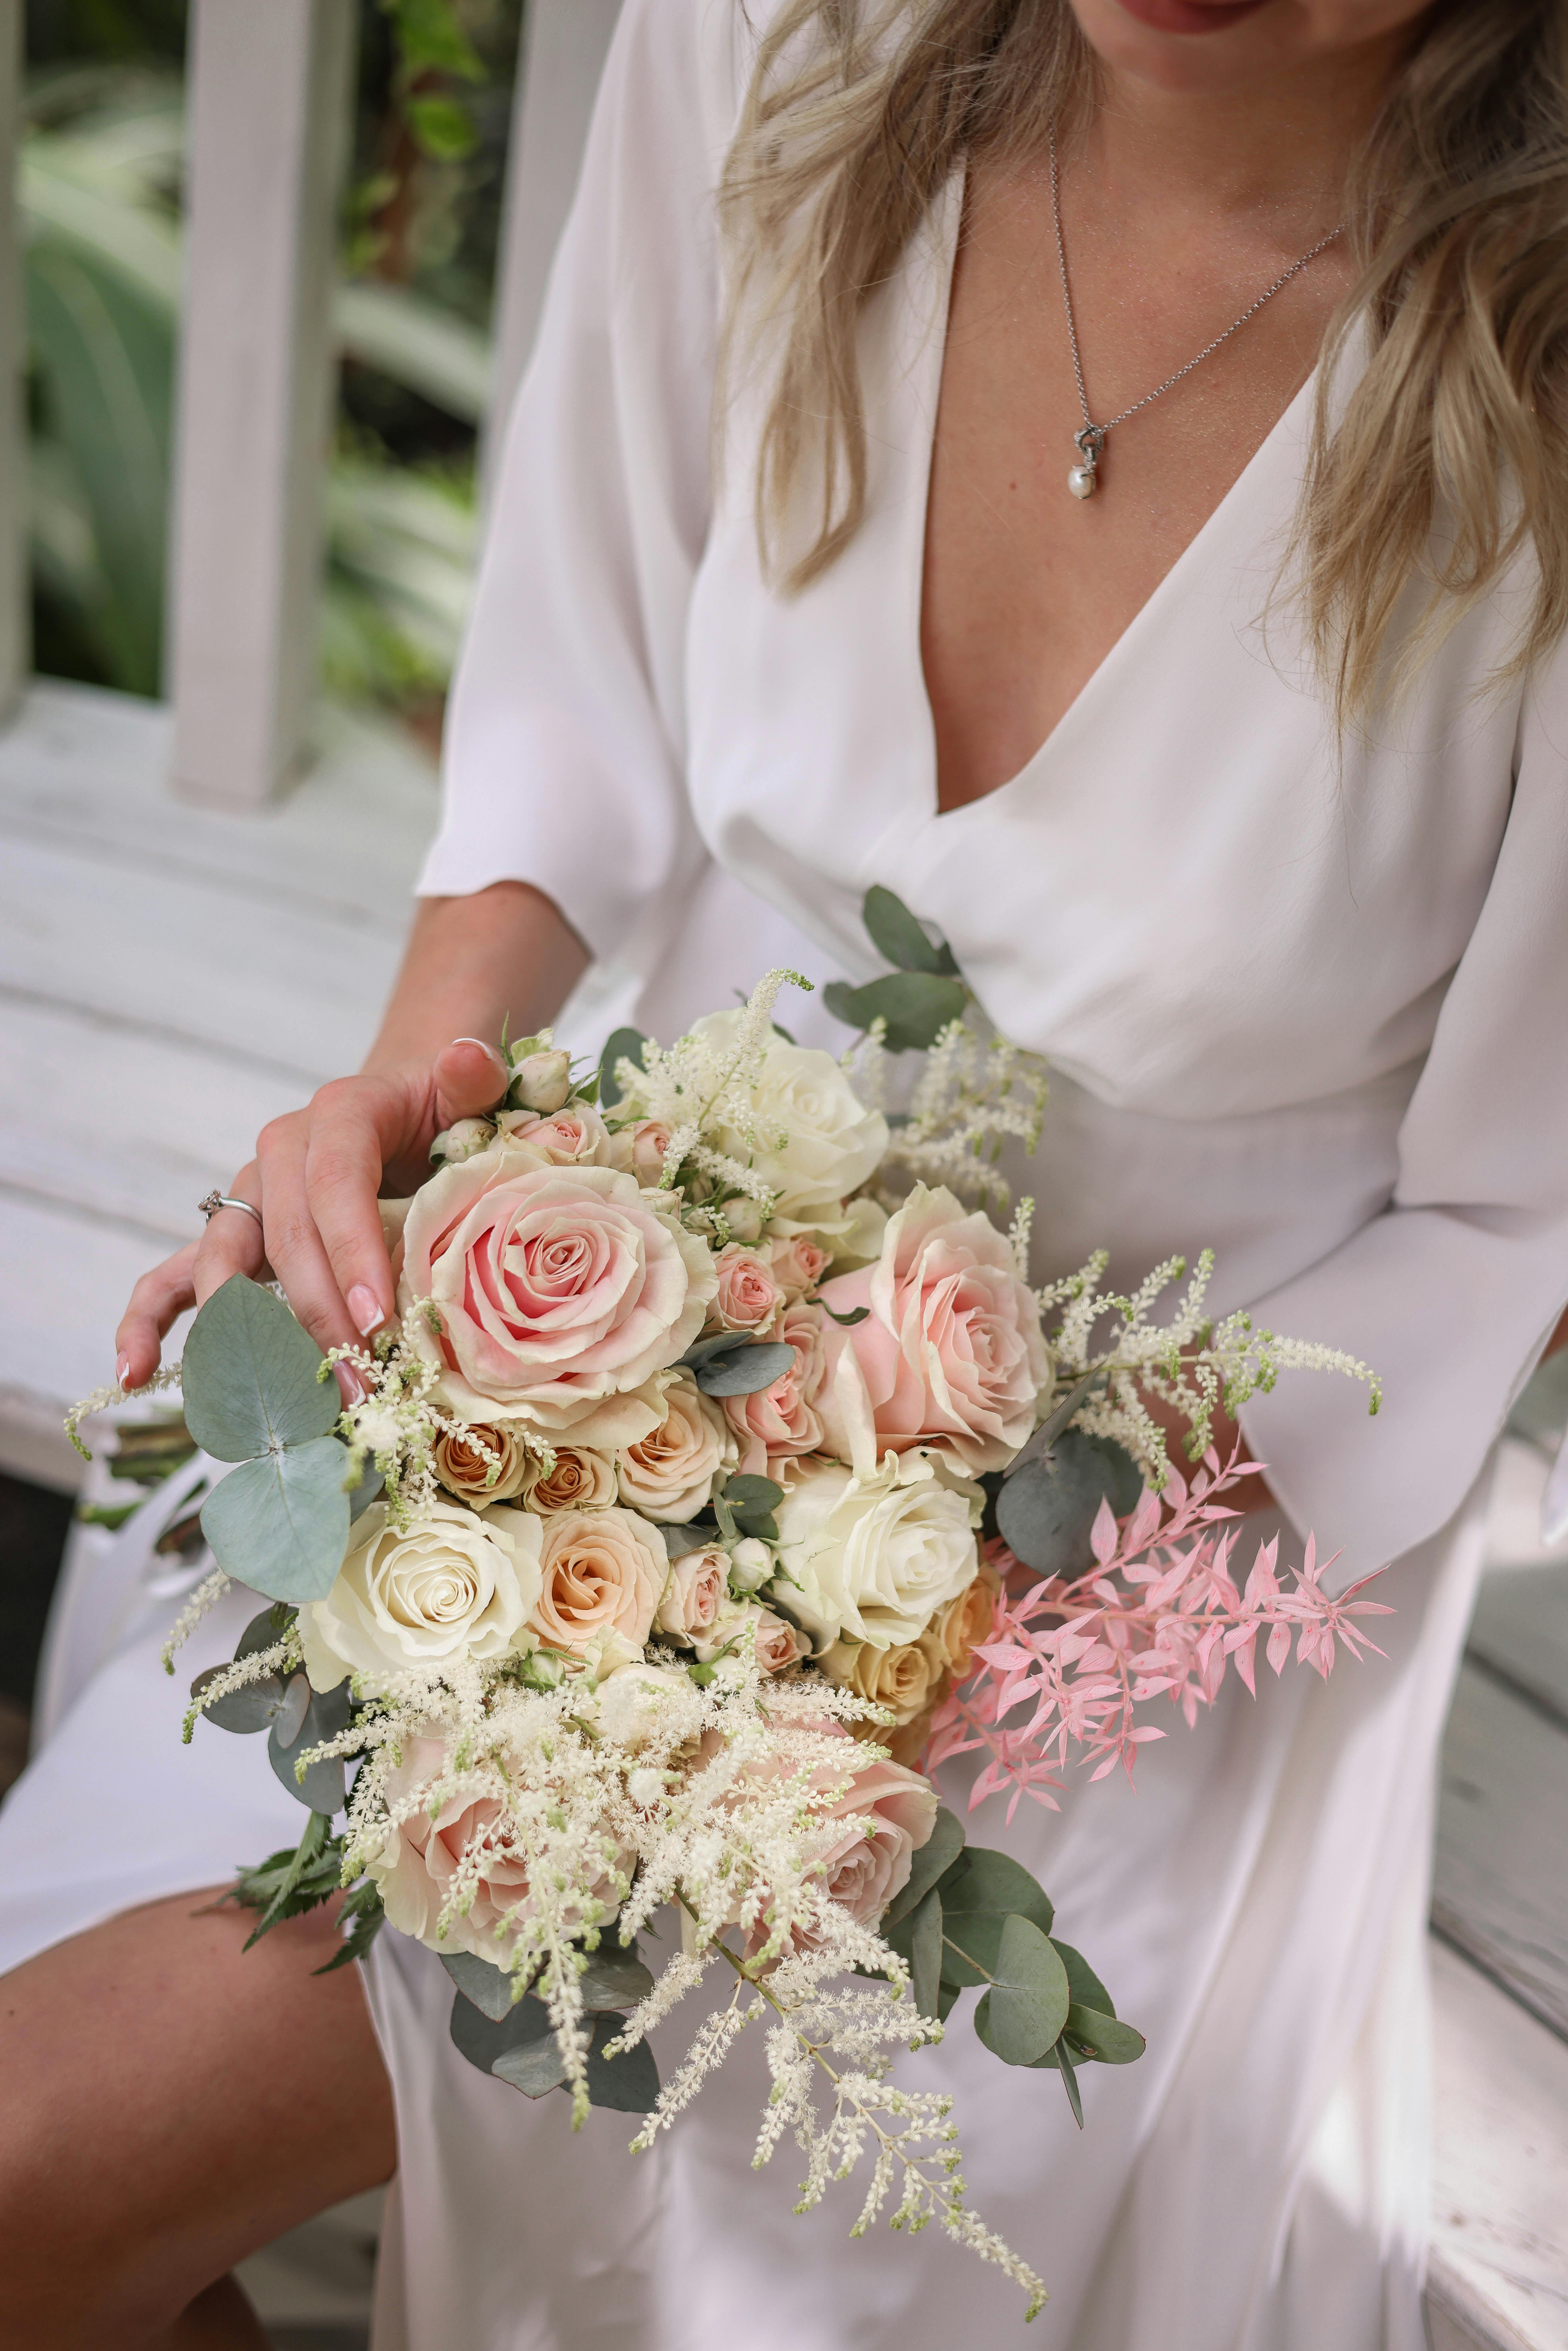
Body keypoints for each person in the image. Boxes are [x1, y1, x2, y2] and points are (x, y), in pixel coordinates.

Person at [4, 0, 1566, 2343]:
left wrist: (931, 1524)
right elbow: (570, 726)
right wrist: (409, 1111)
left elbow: (1509, 1227)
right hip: (590, 1358)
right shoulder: (770, 45)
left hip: (1136, 1566)